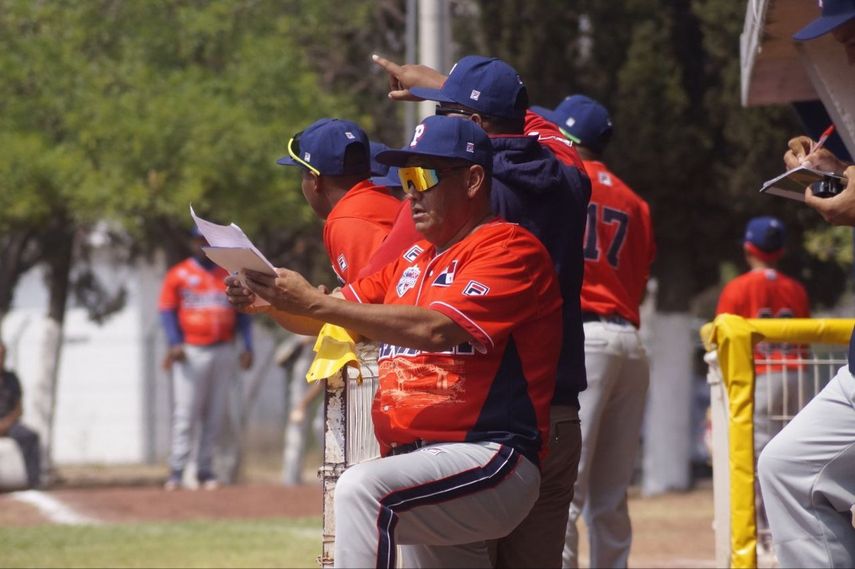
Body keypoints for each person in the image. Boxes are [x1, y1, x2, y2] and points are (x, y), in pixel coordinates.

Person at [226, 116, 562, 569]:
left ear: (473, 179)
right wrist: (270, 301)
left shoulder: (507, 249)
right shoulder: (412, 259)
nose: (410, 193)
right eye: (405, 178)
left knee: (363, 489)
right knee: (374, 492)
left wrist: (316, 304)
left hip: (489, 457)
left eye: (423, 176)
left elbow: (436, 328)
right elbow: (335, 312)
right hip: (424, 464)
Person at [372, 54, 591, 568]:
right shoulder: (567, 175)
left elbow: (388, 281)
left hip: (482, 423)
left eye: (448, 114)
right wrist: (447, 88)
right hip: (559, 417)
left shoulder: (458, 195)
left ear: (472, 128)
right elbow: (534, 124)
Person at [532, 95, 655, 568]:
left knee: (565, 488)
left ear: (564, 134)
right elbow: (639, 277)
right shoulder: (635, 201)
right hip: (629, 341)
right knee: (611, 494)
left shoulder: (558, 178)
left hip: (586, 341)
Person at [757, 2, 855, 567]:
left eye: (854, 37)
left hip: (775, 370)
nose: (844, 51)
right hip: (811, 369)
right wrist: (826, 162)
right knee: (785, 465)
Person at [716, 216, 810, 552]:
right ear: (781, 250)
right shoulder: (795, 288)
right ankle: (787, 531)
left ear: (747, 248)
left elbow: (722, 343)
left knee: (753, 458)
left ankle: (757, 535)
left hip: (760, 377)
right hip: (796, 375)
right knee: (791, 456)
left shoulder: (737, 288)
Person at [159, 228, 254, 490]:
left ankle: (204, 469)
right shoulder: (179, 274)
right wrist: (174, 343)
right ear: (193, 243)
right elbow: (166, 312)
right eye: (199, 241)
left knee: (215, 415)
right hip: (191, 351)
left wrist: (247, 346)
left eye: (207, 241)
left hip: (223, 349)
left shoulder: (227, 274)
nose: (203, 245)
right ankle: (177, 470)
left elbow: (243, 315)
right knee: (186, 413)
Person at [277, 118, 402, 285]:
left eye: (303, 175)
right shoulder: (383, 201)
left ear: (315, 181)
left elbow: (371, 307)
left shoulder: (346, 220)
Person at [0, 341, 41, 488]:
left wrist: (6, 423)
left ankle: (34, 482)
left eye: (2, 356)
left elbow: (19, 409)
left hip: (9, 423)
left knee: (30, 436)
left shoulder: (12, 379)